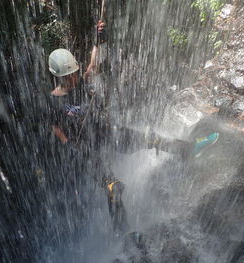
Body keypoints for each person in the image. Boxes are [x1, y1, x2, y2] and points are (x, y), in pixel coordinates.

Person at [46, 20, 219, 233]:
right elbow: (59, 133)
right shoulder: (52, 102)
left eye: (74, 73)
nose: (73, 78)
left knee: (150, 137)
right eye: (68, 76)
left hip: (105, 131)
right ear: (57, 76)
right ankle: (124, 233)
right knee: (113, 186)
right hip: (83, 149)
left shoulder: (82, 82)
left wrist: (99, 39)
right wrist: (71, 147)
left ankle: (189, 149)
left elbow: (94, 64)